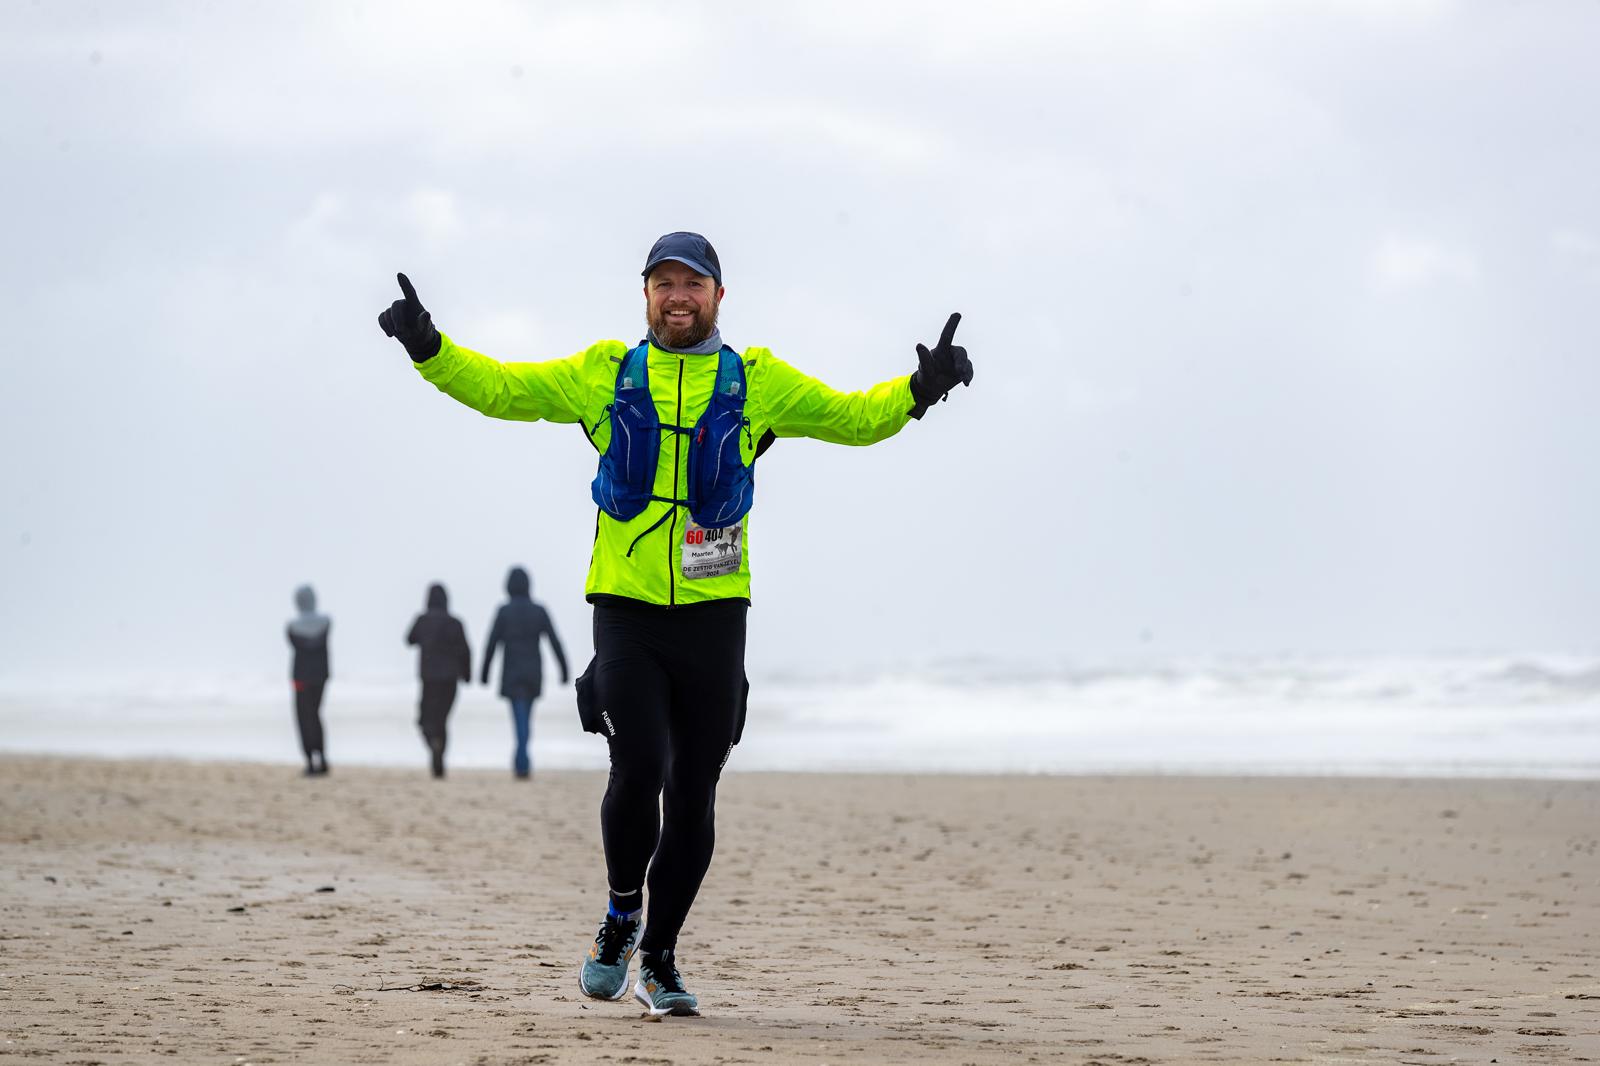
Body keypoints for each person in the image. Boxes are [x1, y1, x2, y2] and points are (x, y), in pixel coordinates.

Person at [377, 231, 971, 1016]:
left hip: (714, 617)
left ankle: (659, 957)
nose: (678, 295)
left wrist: (919, 389)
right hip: (625, 613)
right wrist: (429, 348)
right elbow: (501, 390)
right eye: (663, 282)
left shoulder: (758, 383)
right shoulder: (604, 374)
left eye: (693, 283)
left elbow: (854, 418)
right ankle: (622, 912)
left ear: (719, 296)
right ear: (646, 295)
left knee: (694, 795)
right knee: (641, 768)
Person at [481, 566, 569, 779]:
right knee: (525, 717)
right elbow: (554, 641)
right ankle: (522, 759)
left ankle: (521, 760)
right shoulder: (538, 610)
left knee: (520, 717)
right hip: (532, 674)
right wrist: (563, 669)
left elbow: (491, 643)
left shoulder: (504, 611)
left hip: (512, 673)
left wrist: (484, 672)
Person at [405, 582, 472, 778]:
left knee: (425, 720)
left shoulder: (423, 620)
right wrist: (467, 675)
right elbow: (465, 651)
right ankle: (439, 757)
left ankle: (434, 745)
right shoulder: (455, 623)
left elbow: (409, 639)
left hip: (429, 679)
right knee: (442, 720)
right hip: (451, 679)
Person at [286, 584, 330, 776]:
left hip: (301, 677)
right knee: (316, 715)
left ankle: (311, 759)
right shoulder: (326, 622)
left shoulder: (292, 626)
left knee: (304, 718)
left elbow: (296, 645)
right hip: (321, 675)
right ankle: (322, 756)